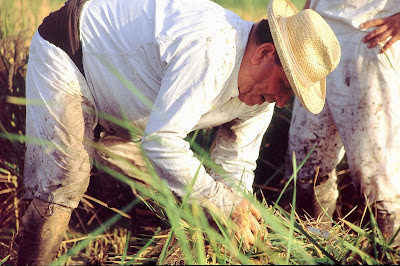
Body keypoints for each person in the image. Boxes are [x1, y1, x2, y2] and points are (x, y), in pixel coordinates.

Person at [16, 0, 340, 264]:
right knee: (64, 179)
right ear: (264, 53)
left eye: (291, 94)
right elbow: (162, 142)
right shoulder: (211, 47)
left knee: (166, 195)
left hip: (134, 106)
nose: (282, 102)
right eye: (284, 86)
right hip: (72, 57)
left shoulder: (260, 99)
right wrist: (223, 205)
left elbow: (236, 166)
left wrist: (237, 215)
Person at [286, 0, 400, 241]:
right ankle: (315, 247)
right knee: (306, 158)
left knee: (376, 170)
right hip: (318, 34)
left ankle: (387, 253)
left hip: (368, 35)